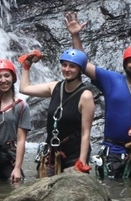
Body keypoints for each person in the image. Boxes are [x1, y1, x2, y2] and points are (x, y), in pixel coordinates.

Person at [65, 12, 131, 179]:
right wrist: (75, 35)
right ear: (125, 64)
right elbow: (82, 64)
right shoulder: (111, 80)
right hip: (112, 151)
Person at [19, 48, 95, 177]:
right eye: (64, 65)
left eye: (72, 66)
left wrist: (81, 161)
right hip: (54, 152)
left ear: (80, 70)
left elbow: (85, 132)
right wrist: (27, 65)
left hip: (73, 154)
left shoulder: (85, 96)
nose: (67, 69)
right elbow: (24, 88)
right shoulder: (55, 87)